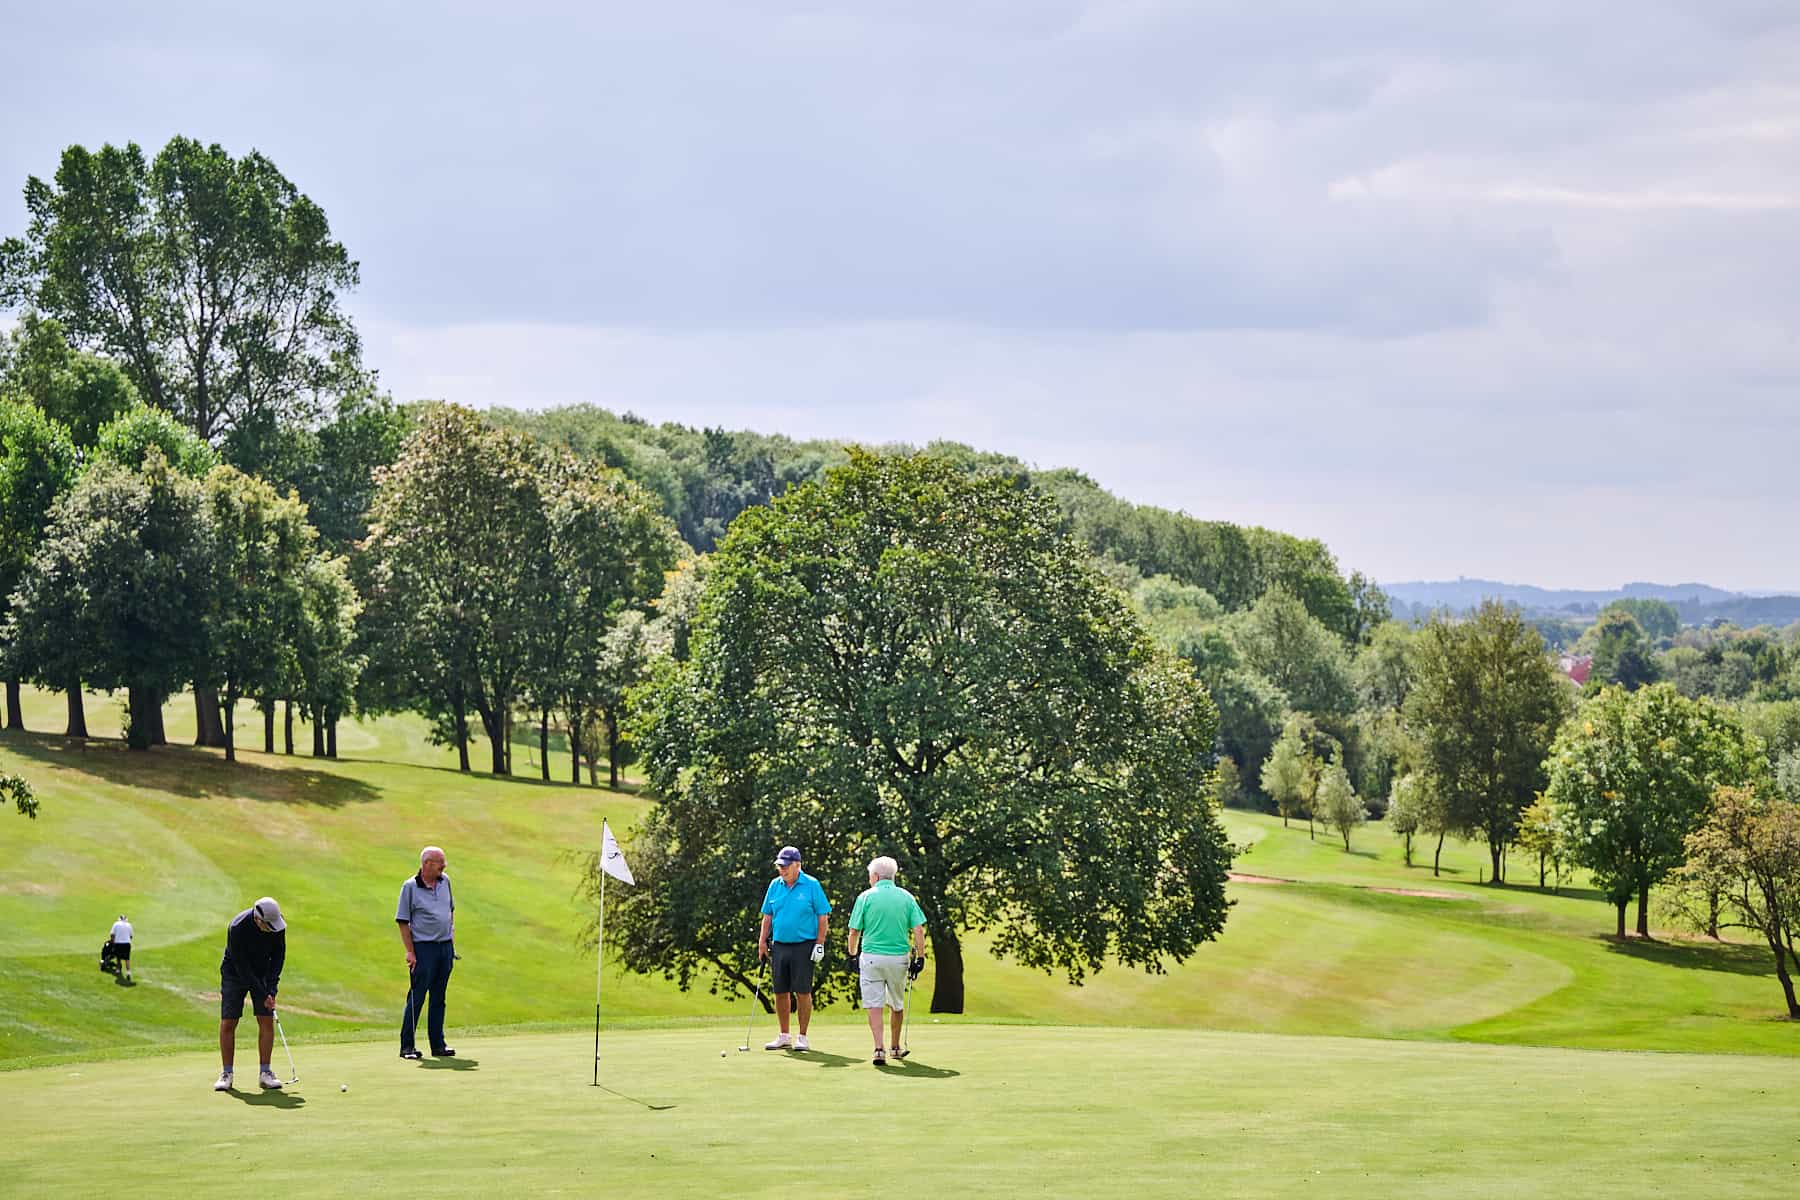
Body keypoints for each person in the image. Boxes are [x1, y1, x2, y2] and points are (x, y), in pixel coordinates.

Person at [846, 856, 927, 1066]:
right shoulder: (906, 897)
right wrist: (920, 958)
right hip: (898, 959)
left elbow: (854, 931)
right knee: (896, 1004)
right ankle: (896, 1047)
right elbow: (918, 930)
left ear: (875, 876)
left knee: (874, 1005)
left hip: (872, 958)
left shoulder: (865, 897)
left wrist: (852, 955)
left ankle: (878, 1048)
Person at [757, 845, 831, 1051]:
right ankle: (784, 1035)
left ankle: (802, 1037)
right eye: (780, 866)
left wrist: (819, 943)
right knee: (780, 991)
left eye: (786, 866)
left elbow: (822, 916)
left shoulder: (812, 885)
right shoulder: (775, 885)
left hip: (804, 946)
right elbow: (767, 916)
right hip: (779, 945)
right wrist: (762, 941)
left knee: (803, 991)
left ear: (797, 865)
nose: (782, 869)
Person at [214, 897, 287, 1091]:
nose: (272, 929)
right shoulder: (237, 927)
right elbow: (242, 967)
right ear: (258, 919)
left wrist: (271, 989)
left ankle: (265, 1073)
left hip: (263, 971)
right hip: (234, 973)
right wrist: (262, 993)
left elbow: (278, 957)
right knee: (229, 1021)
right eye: (268, 925)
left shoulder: (277, 925)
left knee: (266, 1019)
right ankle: (226, 1074)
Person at [396, 845, 456, 1060]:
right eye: (441, 863)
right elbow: (403, 921)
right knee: (417, 997)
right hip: (423, 948)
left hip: (444, 947)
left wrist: (451, 938)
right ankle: (407, 1047)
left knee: (439, 997)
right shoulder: (410, 887)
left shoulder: (445, 881)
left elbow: (450, 911)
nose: (444, 866)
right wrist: (410, 952)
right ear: (427, 864)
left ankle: (438, 1045)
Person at [108, 914, 133, 982]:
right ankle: (128, 972)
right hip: (127, 944)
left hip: (118, 943)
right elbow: (131, 936)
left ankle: (118, 970)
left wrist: (113, 942)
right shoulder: (129, 925)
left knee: (118, 958)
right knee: (127, 959)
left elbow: (112, 934)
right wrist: (128, 941)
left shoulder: (116, 924)